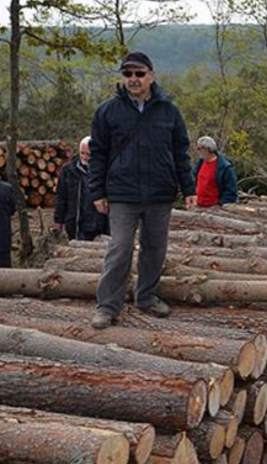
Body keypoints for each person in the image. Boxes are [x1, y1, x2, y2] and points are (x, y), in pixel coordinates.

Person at [88, 51, 196, 329]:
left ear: (151, 75)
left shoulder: (169, 110)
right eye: (128, 74)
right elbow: (98, 154)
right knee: (120, 248)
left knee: (155, 248)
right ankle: (107, 306)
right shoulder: (108, 111)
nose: (133, 79)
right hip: (122, 193)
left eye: (139, 74)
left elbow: (180, 152)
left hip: (160, 192)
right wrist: (97, 191)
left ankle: (146, 296)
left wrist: (189, 188)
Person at [54, 136, 110, 240]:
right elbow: (61, 197)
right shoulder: (68, 171)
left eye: (88, 154)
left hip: (101, 222)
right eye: (82, 153)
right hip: (78, 223)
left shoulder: (106, 171)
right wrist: (58, 221)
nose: (84, 157)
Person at [192, 136, 238, 207]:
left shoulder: (225, 167)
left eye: (199, 148)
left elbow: (231, 191)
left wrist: (219, 204)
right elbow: (193, 180)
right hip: (198, 205)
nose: (198, 151)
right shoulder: (200, 163)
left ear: (207, 149)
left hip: (214, 208)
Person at [0, 173, 16, 268]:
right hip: (2, 241)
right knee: (5, 277)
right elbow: (12, 209)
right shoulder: (6, 188)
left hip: (1, 242)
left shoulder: (6, 188)